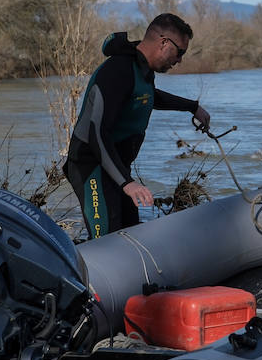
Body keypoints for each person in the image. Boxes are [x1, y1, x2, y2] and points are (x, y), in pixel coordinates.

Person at [65, 13, 212, 239]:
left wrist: (192, 107)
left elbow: (149, 96)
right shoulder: (118, 70)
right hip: (91, 164)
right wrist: (127, 184)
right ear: (164, 42)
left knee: (131, 234)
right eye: (180, 52)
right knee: (107, 239)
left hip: (116, 166)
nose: (180, 60)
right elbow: (97, 133)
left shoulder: (140, 69)